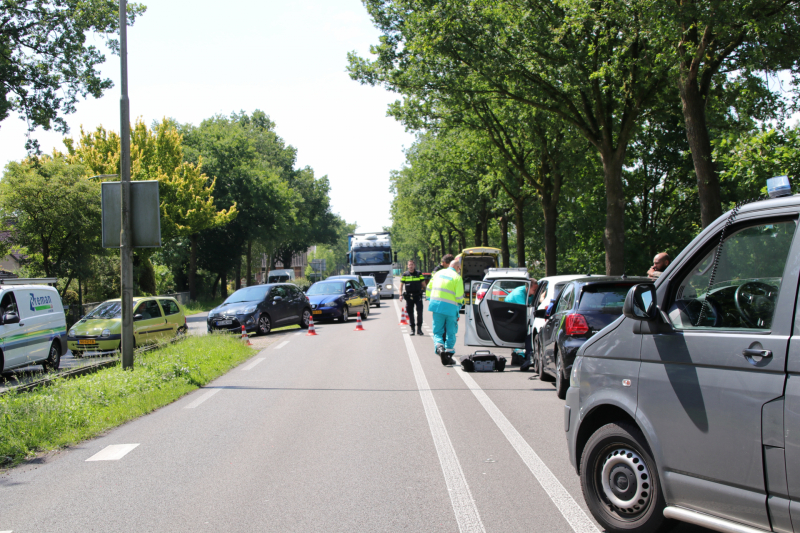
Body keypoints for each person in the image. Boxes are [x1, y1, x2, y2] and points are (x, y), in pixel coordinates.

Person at [428, 254, 464, 365]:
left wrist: (432, 300)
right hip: (450, 309)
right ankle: (448, 354)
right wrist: (460, 306)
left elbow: (429, 288)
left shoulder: (438, 273)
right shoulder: (457, 277)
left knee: (438, 331)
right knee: (451, 332)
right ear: (457, 268)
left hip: (437, 307)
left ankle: (439, 348)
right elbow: (459, 297)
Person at [399, 259, 426, 336]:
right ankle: (412, 329)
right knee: (410, 313)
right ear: (407, 266)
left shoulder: (419, 274)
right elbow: (401, 286)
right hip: (409, 297)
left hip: (418, 296)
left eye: (412, 265)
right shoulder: (405, 274)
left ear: (414, 266)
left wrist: (426, 294)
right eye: (409, 265)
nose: (410, 266)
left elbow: (424, 285)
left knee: (420, 312)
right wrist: (400, 295)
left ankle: (419, 329)